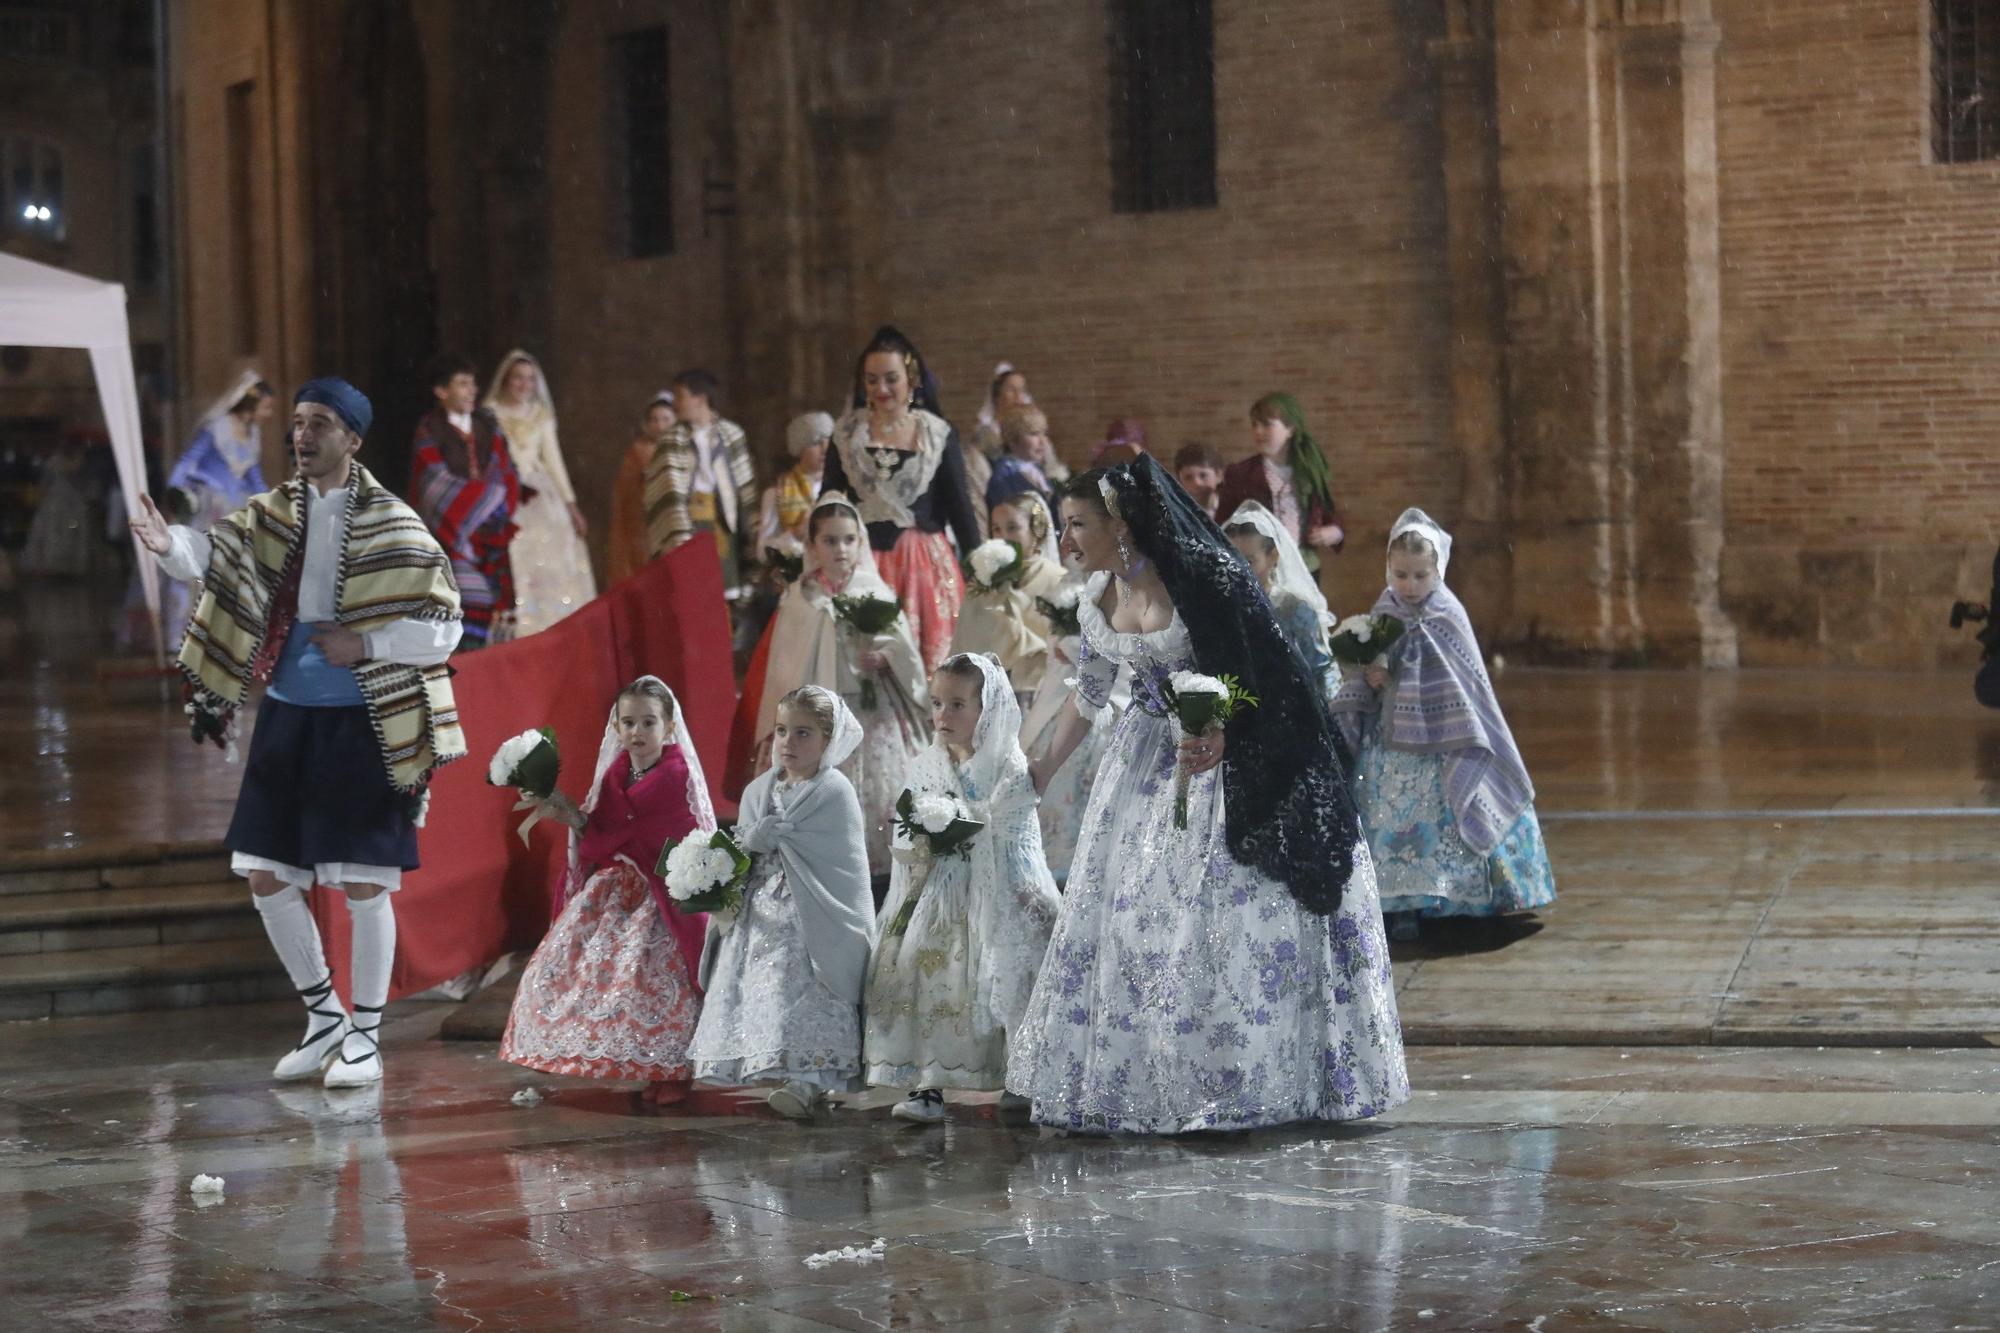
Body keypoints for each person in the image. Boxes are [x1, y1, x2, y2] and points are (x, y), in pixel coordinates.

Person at [1006, 459, 1408, 1134]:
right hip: (1139, 765)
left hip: (1215, 761)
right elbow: (1093, 691)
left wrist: (1224, 729)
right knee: (1128, 918)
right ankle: (1138, 1080)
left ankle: (1231, 1076)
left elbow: (1264, 675)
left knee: (1212, 919)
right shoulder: (1097, 592)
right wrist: (1041, 766)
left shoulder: (1204, 578)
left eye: (1078, 524)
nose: (1066, 541)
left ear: (1121, 524)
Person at [130, 377, 465, 1088]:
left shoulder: (395, 522)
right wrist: (169, 547)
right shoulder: (272, 512)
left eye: (320, 425)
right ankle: (323, 1020)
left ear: (353, 438)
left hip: (363, 719)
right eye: (300, 423)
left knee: (364, 882)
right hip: (287, 713)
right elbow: (219, 557)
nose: (303, 436)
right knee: (265, 871)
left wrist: (367, 646)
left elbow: (445, 624)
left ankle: (367, 1037)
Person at [1327, 509, 1556, 940]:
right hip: (1392, 740)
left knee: (1448, 810)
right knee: (1388, 812)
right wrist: (1372, 673)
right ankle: (1399, 903)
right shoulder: (1385, 609)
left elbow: (1466, 682)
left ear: (1438, 571)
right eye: (1401, 575)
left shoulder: (1447, 613)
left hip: (1447, 740)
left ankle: (1453, 899)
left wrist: (1401, 670)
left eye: (1420, 576)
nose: (1410, 586)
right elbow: (1374, 666)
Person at [866, 653, 1059, 1123]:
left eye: (957, 705)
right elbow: (907, 825)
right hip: (938, 891)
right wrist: (924, 839)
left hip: (998, 888)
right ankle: (928, 1082)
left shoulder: (1008, 766)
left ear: (986, 708)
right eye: (936, 704)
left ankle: (1020, 1075)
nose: (942, 716)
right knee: (917, 965)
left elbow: (1016, 838)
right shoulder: (926, 764)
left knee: (1012, 962)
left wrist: (1023, 891)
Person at [501, 677, 712, 1103]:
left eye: (648, 722)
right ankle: (639, 1063)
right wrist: (572, 817)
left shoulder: (677, 775)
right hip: (619, 884)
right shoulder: (617, 771)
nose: (637, 732)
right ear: (616, 727)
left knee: (655, 975)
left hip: (662, 890)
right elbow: (603, 832)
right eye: (628, 722)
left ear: (669, 727)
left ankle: (672, 1071)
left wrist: (622, 843)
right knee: (590, 968)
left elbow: (673, 835)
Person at [689, 686, 877, 1120]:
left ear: (829, 740)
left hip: (811, 917)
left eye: (803, 733)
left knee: (805, 991)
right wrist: (748, 841)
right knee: (762, 991)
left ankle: (811, 1080)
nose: (789, 742)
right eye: (781, 731)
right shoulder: (759, 791)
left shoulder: (834, 791)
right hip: (760, 913)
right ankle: (771, 1065)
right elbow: (740, 849)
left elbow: (844, 865)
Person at [748, 493, 929, 876]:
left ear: (859, 542)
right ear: (813, 545)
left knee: (877, 787)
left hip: (869, 709)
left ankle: (877, 865)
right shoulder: (801, 597)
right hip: (812, 717)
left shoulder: (873, 589)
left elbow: (903, 649)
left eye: (848, 540)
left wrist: (884, 657)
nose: (841, 549)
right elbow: (786, 664)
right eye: (830, 541)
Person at [821, 326, 982, 674]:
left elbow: (960, 508)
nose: (881, 389)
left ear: (911, 379)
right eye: (872, 380)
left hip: (923, 565)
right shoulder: (847, 433)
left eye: (891, 379)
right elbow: (829, 502)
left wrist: (983, 570)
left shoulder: (935, 433)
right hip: (859, 561)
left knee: (930, 669)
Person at [155, 372, 275, 645]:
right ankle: (185, 634)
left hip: (237, 509)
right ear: (250, 404)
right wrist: (175, 495)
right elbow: (187, 461)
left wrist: (271, 502)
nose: (268, 414)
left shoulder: (252, 434)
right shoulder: (217, 429)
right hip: (210, 507)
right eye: (266, 407)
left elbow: (252, 475)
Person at [411, 353, 520, 649]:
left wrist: (493, 506)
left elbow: (506, 472)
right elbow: (433, 484)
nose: (472, 390)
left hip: (490, 534)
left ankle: (485, 670)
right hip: (452, 536)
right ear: (441, 391)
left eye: (473, 384)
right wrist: (476, 505)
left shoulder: (488, 427)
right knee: (465, 601)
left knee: (496, 606)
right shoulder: (430, 429)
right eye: (462, 384)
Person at [484, 350, 594, 634]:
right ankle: (517, 624)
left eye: (530, 380)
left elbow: (553, 461)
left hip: (540, 493)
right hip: (502, 489)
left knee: (550, 558)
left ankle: (550, 622)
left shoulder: (540, 416)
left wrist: (571, 505)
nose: (524, 385)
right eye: (518, 378)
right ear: (507, 380)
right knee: (514, 554)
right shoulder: (490, 412)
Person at [951, 490, 1065, 702]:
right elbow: (965, 637)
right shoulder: (983, 580)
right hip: (985, 691)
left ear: (1036, 530)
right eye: (996, 529)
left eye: (1013, 528)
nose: (1004, 537)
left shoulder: (1057, 580)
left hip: (1037, 691)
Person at [646, 369, 757, 586]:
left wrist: (751, 528)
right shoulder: (671, 440)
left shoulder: (731, 434)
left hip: (725, 522)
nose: (675, 403)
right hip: (689, 524)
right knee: (693, 589)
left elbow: (745, 487)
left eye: (680, 396)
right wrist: (678, 533)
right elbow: (666, 493)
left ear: (700, 398)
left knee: (725, 591)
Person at [1225, 501, 1337, 705]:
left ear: (1273, 557)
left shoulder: (1293, 609)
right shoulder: (1222, 607)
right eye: (1232, 559)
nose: (1239, 570)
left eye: (1249, 561)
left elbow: (1321, 669)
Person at [1216, 393, 1344, 570]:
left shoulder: (1309, 471)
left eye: (1267, 424)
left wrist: (1335, 531)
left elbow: (1329, 513)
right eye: (1254, 424)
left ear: (1290, 429)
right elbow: (1222, 523)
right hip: (1260, 569)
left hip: (1304, 566)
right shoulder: (1240, 474)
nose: (1258, 431)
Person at [610, 393, 674, 584]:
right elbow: (626, 493)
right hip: (645, 524)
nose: (660, 426)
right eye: (654, 420)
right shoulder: (638, 452)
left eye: (665, 419)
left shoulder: (682, 449)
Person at [758, 412, 831, 563]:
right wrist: (794, 534)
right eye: (816, 442)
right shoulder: (777, 492)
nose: (825, 448)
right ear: (800, 448)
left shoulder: (843, 489)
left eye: (829, 441)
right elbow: (762, 553)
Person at [985, 407, 1056, 512]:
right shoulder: (1004, 476)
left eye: (1044, 434)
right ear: (1012, 439)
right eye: (1034, 434)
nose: (1042, 441)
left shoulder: (1036, 470)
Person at [1172, 441, 1225, 522]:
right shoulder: (1176, 514)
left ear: (1219, 476)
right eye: (1188, 477)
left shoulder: (1231, 509)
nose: (1197, 483)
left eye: (1203, 475)